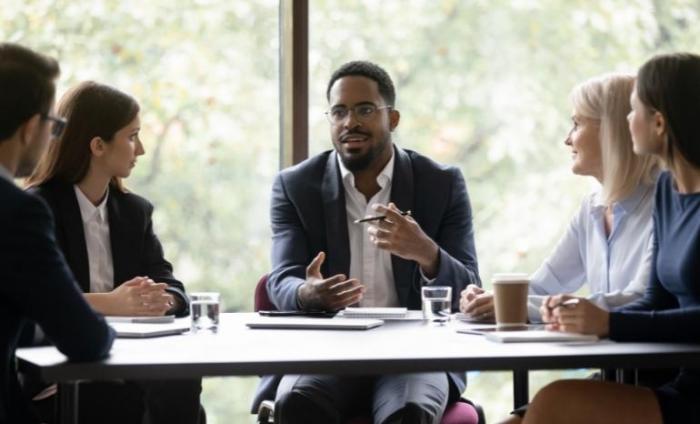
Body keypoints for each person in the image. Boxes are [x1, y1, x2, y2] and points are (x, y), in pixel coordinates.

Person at [254, 60, 480, 424]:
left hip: (416, 352)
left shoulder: (441, 184)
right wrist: (309, 294)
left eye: (364, 110)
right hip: (327, 348)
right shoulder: (295, 186)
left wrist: (426, 252)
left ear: (392, 119)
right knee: (298, 402)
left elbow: (470, 289)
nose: (350, 123)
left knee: (407, 413)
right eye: (339, 112)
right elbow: (281, 281)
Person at [519, 52, 700, 424]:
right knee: (520, 418)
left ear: (660, 123)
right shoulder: (669, 191)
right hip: (684, 379)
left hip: (693, 391)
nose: (626, 121)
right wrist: (586, 314)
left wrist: (609, 323)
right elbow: (655, 300)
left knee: (554, 403)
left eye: (633, 111)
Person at [25, 81, 203, 424]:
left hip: (128, 361)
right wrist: (114, 303)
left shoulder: (135, 211)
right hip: (61, 367)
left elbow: (172, 286)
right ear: (98, 146)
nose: (142, 150)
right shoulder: (38, 208)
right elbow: (33, 301)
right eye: (133, 136)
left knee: (181, 380)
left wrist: (161, 300)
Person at [460, 74, 659, 324]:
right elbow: (545, 284)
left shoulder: (665, 206)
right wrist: (489, 299)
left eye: (577, 124)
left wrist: (513, 305)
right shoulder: (592, 208)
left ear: (611, 131)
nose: (567, 139)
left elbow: (639, 300)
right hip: (613, 361)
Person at [0, 42, 114, 424]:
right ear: (31, 127)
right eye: (54, 125)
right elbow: (86, 339)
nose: (53, 137)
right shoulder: (18, 212)